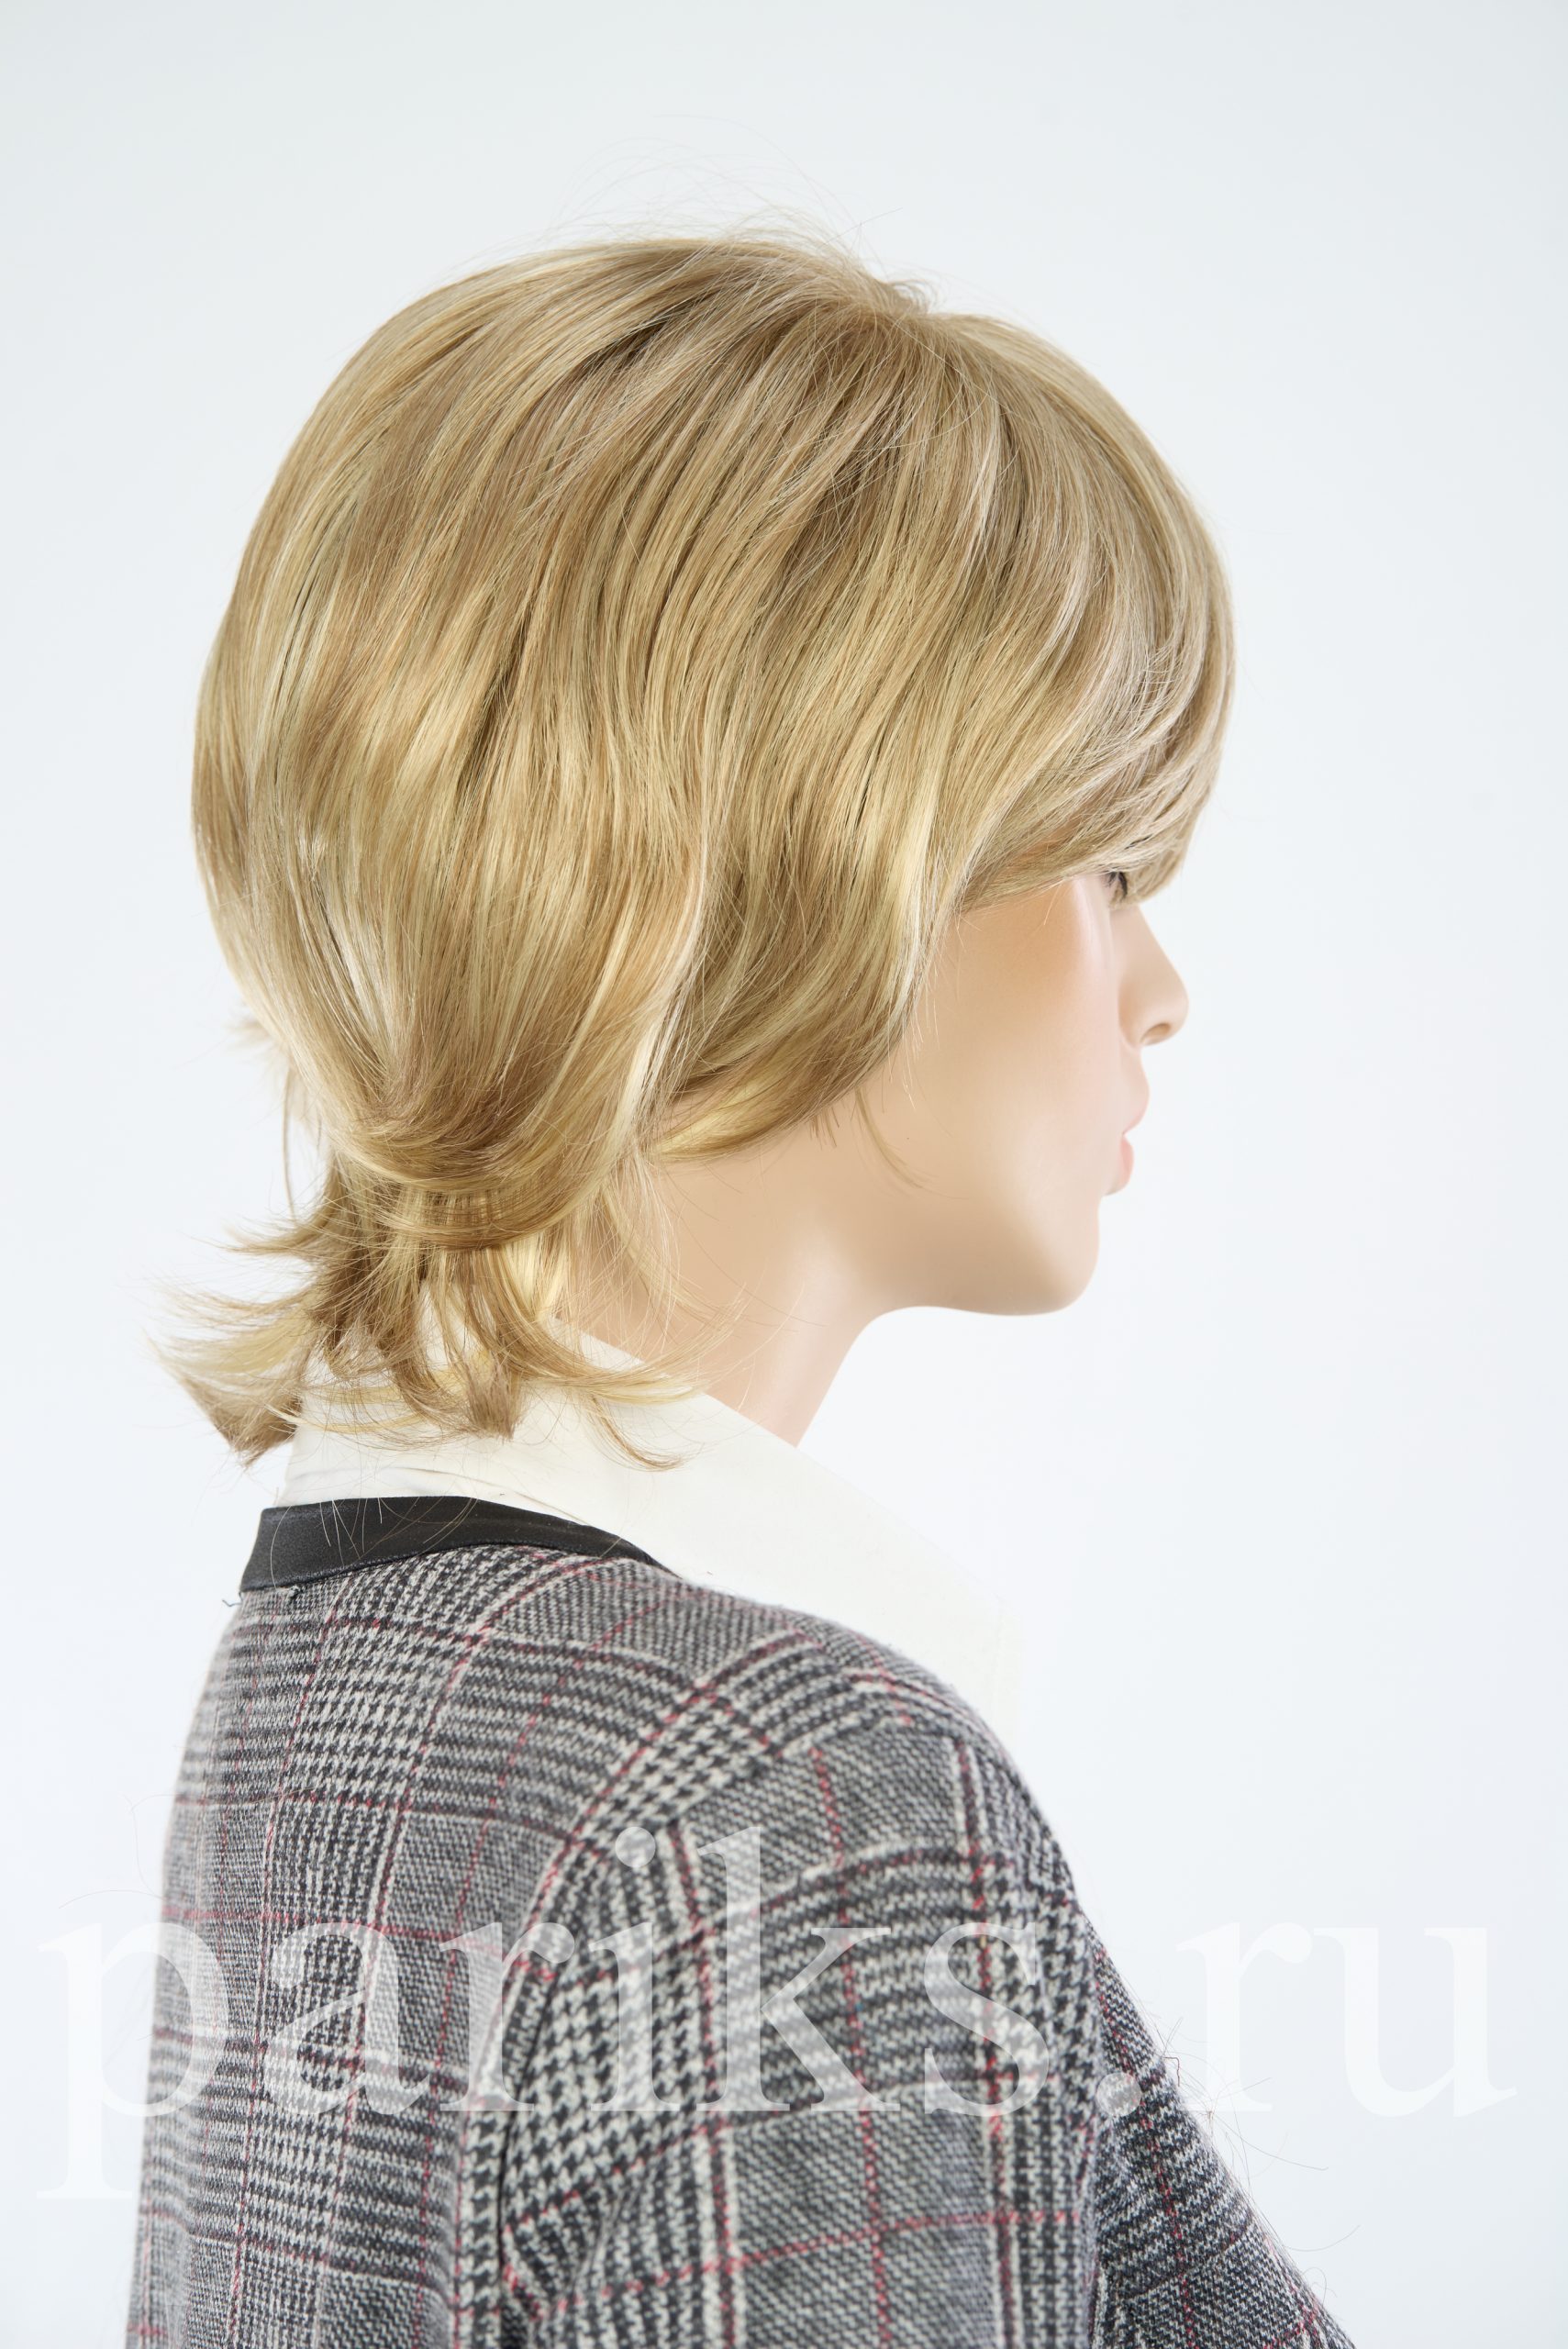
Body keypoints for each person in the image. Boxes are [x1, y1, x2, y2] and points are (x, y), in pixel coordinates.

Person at [125, 225, 1357, 2345]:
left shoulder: (328, 1661)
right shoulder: (797, 1786)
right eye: (1108, 862)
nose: (1159, 984)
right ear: (814, 850)